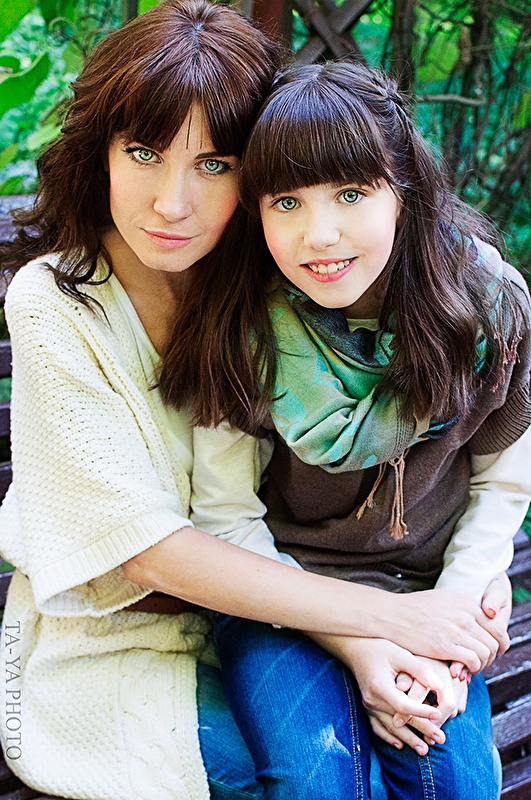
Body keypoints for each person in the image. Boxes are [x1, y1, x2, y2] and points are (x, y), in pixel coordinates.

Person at [1, 5, 510, 799]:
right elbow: (146, 549)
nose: (172, 203)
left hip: (294, 615)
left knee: (425, 760)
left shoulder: (279, 285)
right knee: (327, 779)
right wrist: (387, 624)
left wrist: (461, 585)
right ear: (99, 150)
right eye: (143, 153)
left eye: (214, 164)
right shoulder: (56, 302)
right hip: (127, 645)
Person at [160, 61, 531, 799]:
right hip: (279, 596)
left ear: (403, 191)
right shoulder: (243, 323)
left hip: (428, 589)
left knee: (456, 785)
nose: (319, 235)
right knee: (317, 780)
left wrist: (452, 621)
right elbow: (227, 516)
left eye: (352, 194)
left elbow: (501, 483)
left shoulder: (485, 309)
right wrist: (363, 645)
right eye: (286, 202)